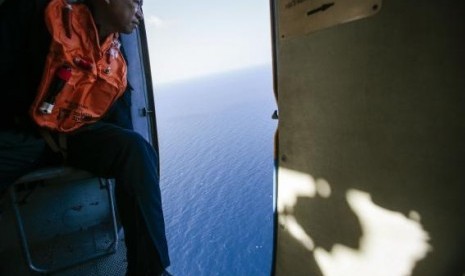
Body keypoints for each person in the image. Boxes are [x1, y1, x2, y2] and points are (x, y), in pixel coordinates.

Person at [0, 0, 171, 275]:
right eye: (135, 2)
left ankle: (149, 270)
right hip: (25, 133)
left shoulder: (115, 58)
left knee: (136, 149)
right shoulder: (41, 17)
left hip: (78, 137)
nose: (139, 12)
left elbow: (121, 122)